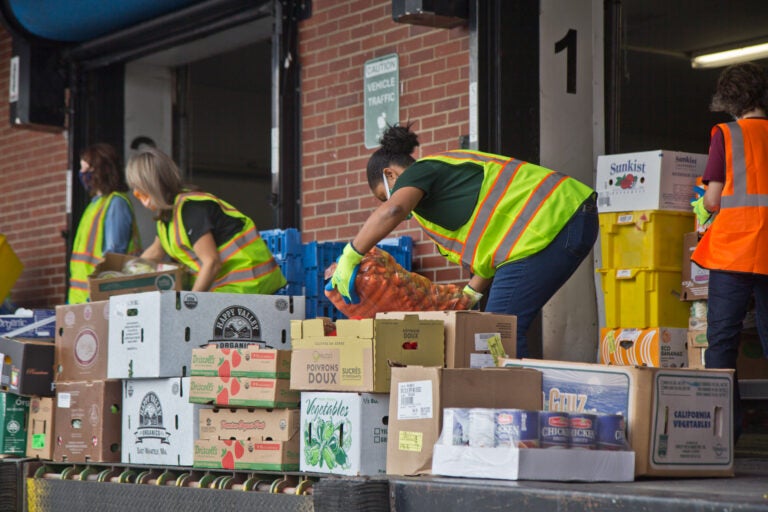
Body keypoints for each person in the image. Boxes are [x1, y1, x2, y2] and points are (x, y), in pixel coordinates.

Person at [327, 124, 598, 357]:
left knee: (497, 332)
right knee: (497, 330)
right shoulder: (437, 205)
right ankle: (514, 405)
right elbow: (488, 252)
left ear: (391, 175)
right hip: (559, 224)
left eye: (384, 195)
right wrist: (469, 295)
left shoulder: (421, 170)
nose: (391, 201)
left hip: (555, 220)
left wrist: (351, 255)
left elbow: (392, 211)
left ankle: (517, 410)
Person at [691, 61, 768, 443]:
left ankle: (724, 437)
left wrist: (703, 206)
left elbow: (714, 198)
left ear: (728, 100)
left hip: (734, 250)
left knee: (722, 340)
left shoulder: (726, 134)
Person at [125, 147, 286, 294]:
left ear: (153, 187)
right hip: (227, 287)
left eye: (141, 194)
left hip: (249, 284)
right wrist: (123, 274)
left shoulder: (191, 210)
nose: (140, 199)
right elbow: (155, 252)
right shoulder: (166, 218)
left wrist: (190, 303)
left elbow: (212, 262)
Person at [68, 143, 141, 303]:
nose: (82, 174)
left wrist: (98, 294)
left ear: (102, 171)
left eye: (87, 169)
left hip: (101, 298)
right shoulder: (94, 205)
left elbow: (114, 256)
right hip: (82, 300)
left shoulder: (116, 203)